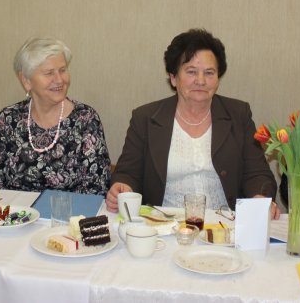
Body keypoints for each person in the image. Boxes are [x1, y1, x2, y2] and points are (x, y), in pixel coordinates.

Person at [106, 29, 279, 218]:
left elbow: (258, 174)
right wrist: (121, 186)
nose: (201, 81)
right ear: (174, 78)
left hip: (225, 224)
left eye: (209, 73)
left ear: (218, 79)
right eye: (191, 72)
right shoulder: (146, 118)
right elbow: (127, 173)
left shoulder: (239, 114)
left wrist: (259, 198)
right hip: (164, 225)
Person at [0, 37, 111, 194]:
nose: (59, 80)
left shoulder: (86, 119)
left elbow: (97, 188)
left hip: (69, 210)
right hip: (14, 210)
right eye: (49, 73)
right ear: (26, 81)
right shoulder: (7, 120)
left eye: (62, 70)